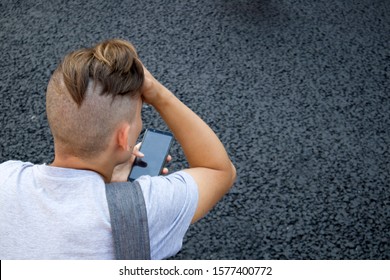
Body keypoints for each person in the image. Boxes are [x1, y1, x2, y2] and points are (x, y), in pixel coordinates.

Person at [0, 39, 236, 259]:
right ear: (124, 138)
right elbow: (218, 170)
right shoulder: (144, 210)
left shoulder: (6, 177)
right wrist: (157, 94)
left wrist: (110, 184)